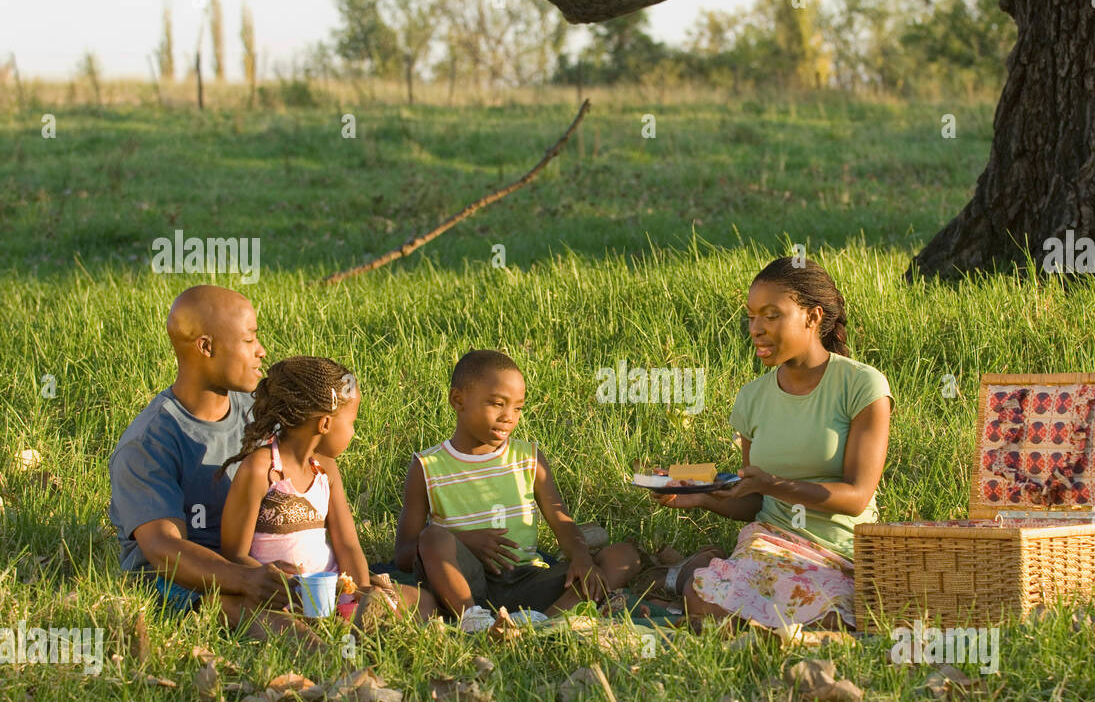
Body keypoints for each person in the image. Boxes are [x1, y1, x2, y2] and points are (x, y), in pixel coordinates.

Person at [653, 257, 893, 630]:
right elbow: (756, 501)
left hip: (838, 553)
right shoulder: (752, 397)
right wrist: (698, 495)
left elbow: (857, 496)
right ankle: (708, 578)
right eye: (751, 317)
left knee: (827, 618)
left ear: (812, 317)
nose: (756, 329)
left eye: (771, 315)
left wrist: (774, 484)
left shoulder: (862, 386)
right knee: (705, 597)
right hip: (769, 545)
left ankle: (712, 584)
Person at [394, 349, 642, 631]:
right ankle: (473, 619)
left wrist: (582, 558)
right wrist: (466, 541)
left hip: (525, 581)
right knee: (434, 537)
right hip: (462, 584)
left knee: (623, 557)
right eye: (497, 404)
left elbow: (561, 522)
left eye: (518, 407)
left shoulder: (529, 458)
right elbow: (404, 554)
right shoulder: (427, 466)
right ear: (458, 400)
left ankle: (541, 621)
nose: (508, 417)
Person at [108, 285, 306, 632]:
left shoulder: (258, 418)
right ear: (206, 347)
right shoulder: (149, 443)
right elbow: (164, 548)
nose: (261, 351)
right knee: (250, 612)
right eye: (249, 340)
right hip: (180, 581)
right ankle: (331, 669)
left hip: (251, 564)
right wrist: (245, 579)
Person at [219, 356, 430, 622]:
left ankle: (366, 614)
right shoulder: (261, 469)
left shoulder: (326, 469)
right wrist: (278, 583)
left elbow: (348, 544)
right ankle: (359, 621)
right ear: (325, 424)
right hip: (283, 595)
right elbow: (233, 553)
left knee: (423, 600)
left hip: (333, 588)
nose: (353, 433)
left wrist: (360, 591)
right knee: (277, 620)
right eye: (352, 422)